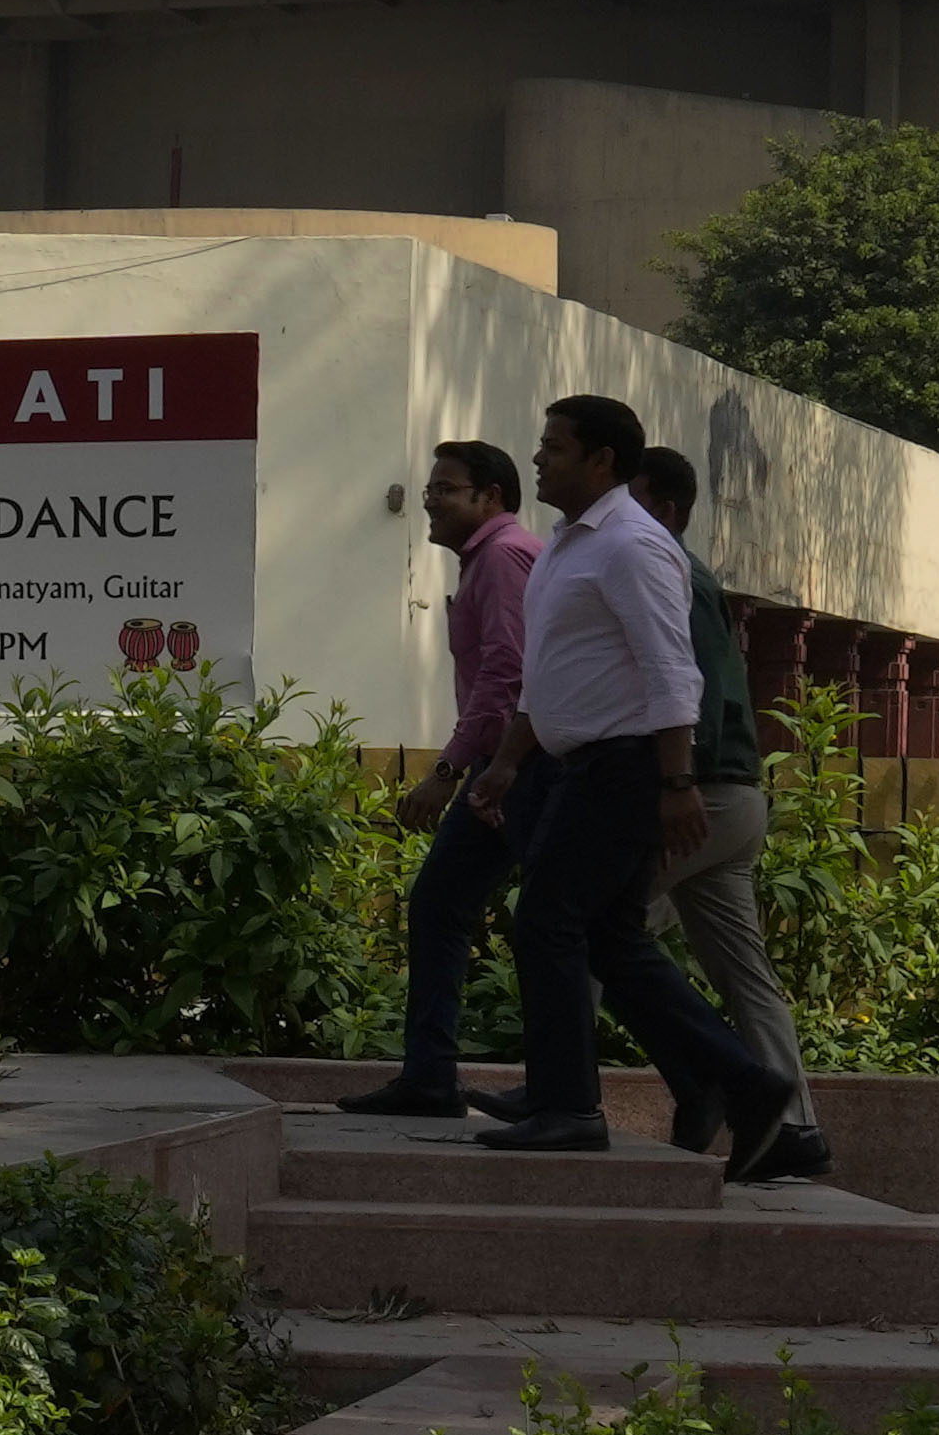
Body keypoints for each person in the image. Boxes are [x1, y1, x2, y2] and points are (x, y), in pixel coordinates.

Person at [477, 397, 792, 1165]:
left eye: (553, 447)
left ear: (601, 461)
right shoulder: (565, 542)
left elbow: (669, 670)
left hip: (620, 767)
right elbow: (552, 674)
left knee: (548, 922)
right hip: (571, 764)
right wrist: (510, 757)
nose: (538, 457)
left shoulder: (631, 545)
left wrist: (676, 782)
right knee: (608, 938)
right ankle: (739, 1083)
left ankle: (567, 1105)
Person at [328, 440, 550, 1121]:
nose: (429, 498)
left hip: (521, 765)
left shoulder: (505, 557)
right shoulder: (491, 559)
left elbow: (508, 675)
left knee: (547, 926)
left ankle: (459, 1079)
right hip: (513, 763)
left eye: (445, 488)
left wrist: (451, 771)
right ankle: (439, 1075)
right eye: (431, 486)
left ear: (489, 497)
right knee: (473, 911)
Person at [627, 445, 826, 1186]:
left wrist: (675, 781)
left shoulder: (667, 571)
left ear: (667, 510)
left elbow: (694, 686)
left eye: (632, 498)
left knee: (591, 930)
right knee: (744, 974)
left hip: (701, 789)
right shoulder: (679, 572)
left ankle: (579, 1090)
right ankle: (794, 1127)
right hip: (733, 794)